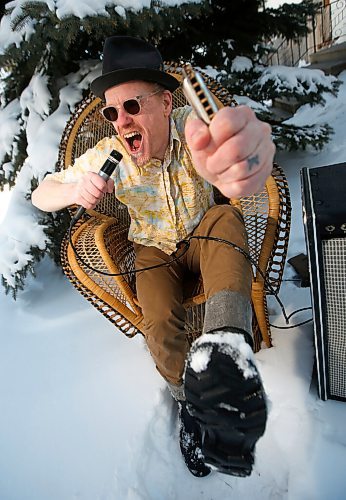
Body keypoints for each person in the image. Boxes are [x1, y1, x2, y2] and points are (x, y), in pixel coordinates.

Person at [32, 36, 274, 478]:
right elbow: (40, 193)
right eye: (112, 112)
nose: (121, 121)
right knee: (158, 319)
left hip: (202, 234)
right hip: (153, 249)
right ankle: (188, 404)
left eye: (132, 106)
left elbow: (230, 139)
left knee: (224, 219)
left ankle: (226, 354)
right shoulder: (109, 155)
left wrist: (241, 151)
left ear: (165, 102)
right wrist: (72, 190)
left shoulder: (189, 125)